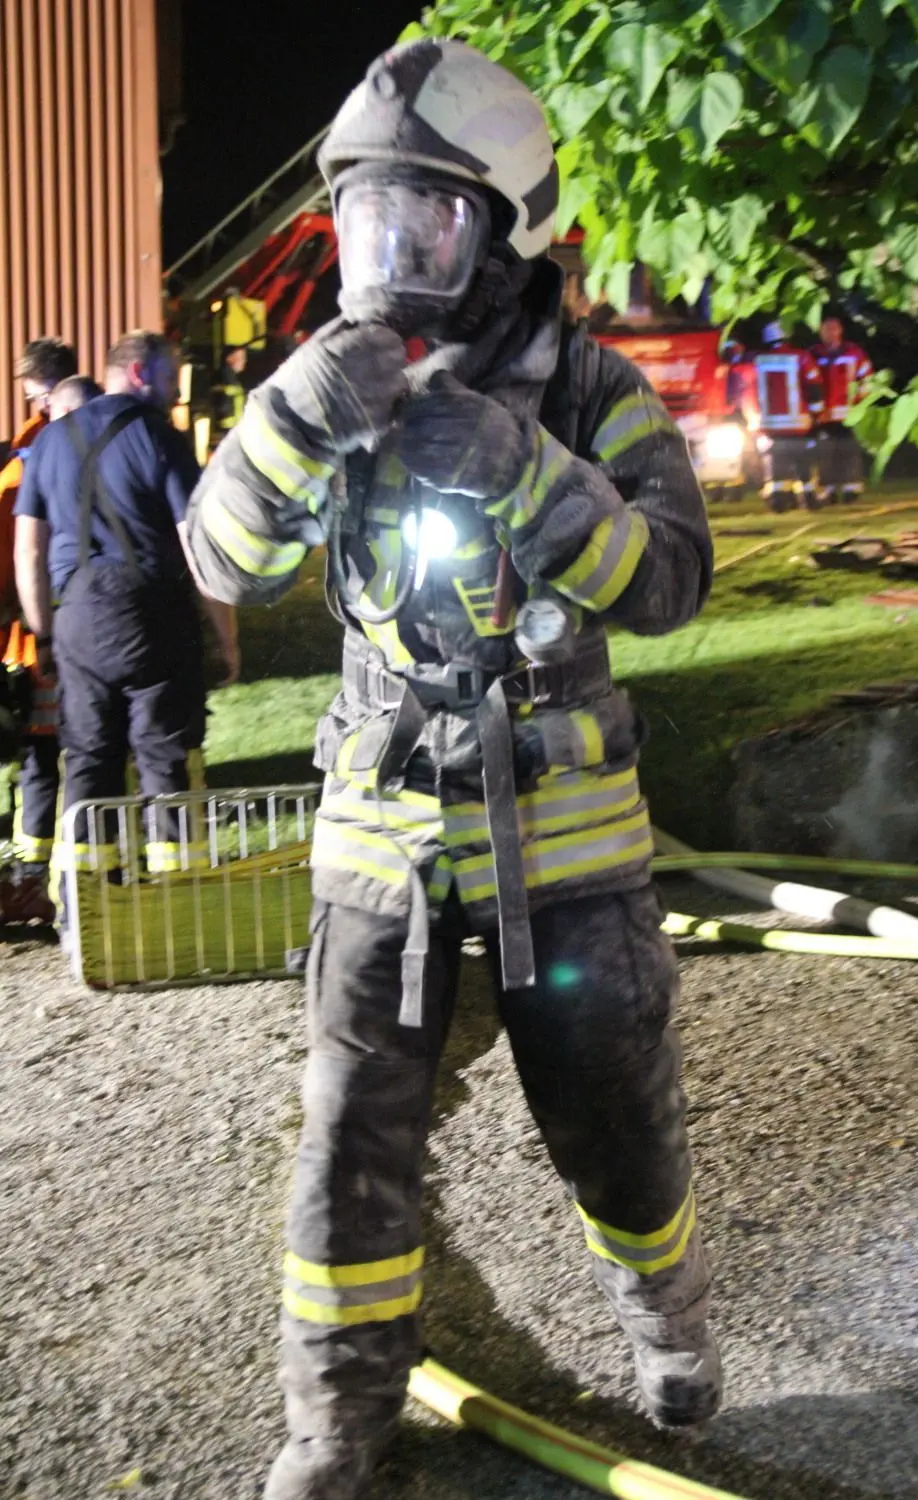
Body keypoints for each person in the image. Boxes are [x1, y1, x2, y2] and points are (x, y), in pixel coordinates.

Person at [186, 39, 720, 1500]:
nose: (390, 256)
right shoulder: (332, 388)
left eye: (425, 221)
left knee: (614, 1114)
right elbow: (217, 556)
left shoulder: (591, 391)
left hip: (570, 838)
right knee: (350, 1139)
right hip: (385, 838)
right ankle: (338, 1421)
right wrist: (294, 414)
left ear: (510, 228)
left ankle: (660, 1316)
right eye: (368, 220)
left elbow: (670, 579)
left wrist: (526, 470)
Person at [13, 330, 239, 886]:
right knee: (163, 755)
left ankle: (91, 905)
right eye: (170, 375)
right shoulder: (160, 437)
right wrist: (227, 635)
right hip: (153, 614)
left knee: (89, 756)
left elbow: (29, 547)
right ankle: (175, 898)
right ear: (139, 373)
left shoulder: (47, 442)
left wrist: (43, 631)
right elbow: (196, 542)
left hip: (77, 621)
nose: (177, 390)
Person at [0, 338, 78, 924]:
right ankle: (36, 872)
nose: (35, 404)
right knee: (48, 752)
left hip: (40, 635)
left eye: (37, 395)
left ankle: (36, 875)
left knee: (46, 753)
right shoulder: (31, 449)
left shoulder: (32, 452)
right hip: (38, 636)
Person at [750, 321, 825, 510]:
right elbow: (814, 386)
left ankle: (778, 502)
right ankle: (808, 500)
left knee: (776, 467)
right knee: (803, 463)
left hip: (770, 425)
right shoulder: (801, 357)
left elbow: (749, 390)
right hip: (798, 423)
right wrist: (816, 413)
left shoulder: (758, 360)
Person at [809, 315, 873, 503]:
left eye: (833, 329)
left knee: (849, 451)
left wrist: (860, 403)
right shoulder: (813, 354)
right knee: (824, 454)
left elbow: (867, 380)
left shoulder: (854, 353)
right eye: (826, 329)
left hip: (849, 413)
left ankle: (851, 488)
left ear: (840, 331)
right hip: (824, 415)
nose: (830, 333)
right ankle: (827, 489)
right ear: (820, 332)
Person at [210, 344, 248, 439]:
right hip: (227, 429)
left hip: (230, 427)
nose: (244, 361)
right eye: (240, 357)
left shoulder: (230, 377)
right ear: (229, 359)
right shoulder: (227, 377)